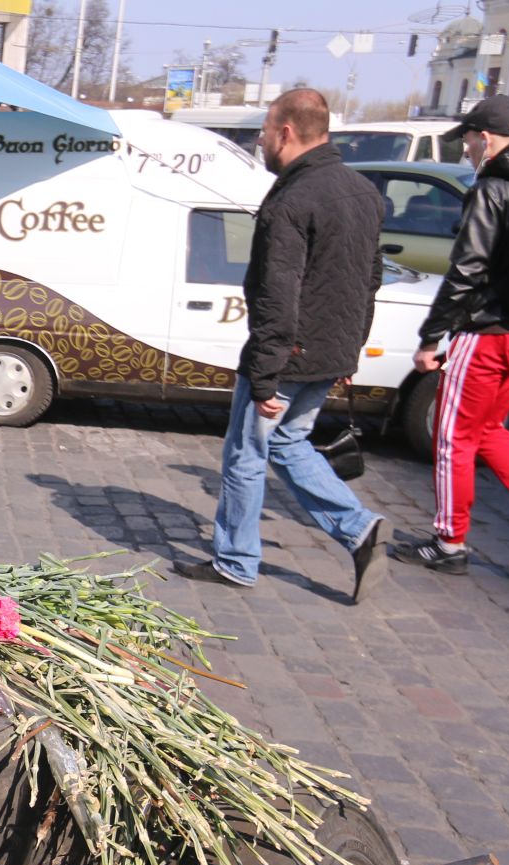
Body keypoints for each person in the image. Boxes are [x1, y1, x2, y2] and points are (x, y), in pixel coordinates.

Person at [170, 88, 391, 602]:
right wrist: (350, 349)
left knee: (246, 454)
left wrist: (266, 375)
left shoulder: (292, 199)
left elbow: (277, 292)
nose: (262, 142)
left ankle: (236, 561)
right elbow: (369, 278)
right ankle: (359, 530)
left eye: (265, 133)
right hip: (328, 349)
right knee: (289, 442)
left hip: (288, 353)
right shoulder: (362, 190)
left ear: (286, 133)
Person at [394, 93, 509, 575]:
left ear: (486, 137)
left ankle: (449, 543)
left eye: (469, 141)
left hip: (489, 333)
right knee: (490, 429)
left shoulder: (495, 185)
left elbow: (467, 269)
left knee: (453, 437)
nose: (467, 151)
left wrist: (431, 339)